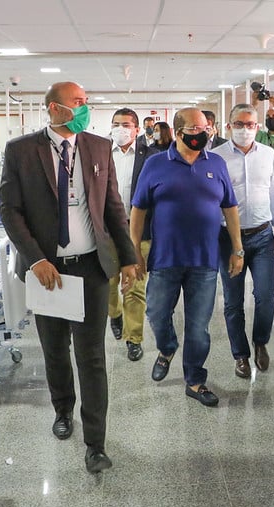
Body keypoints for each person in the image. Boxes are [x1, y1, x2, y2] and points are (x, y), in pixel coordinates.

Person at [0, 81, 137, 473]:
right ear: (55, 109)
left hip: (91, 268)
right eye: (78, 102)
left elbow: (113, 206)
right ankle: (63, 410)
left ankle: (96, 443)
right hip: (48, 273)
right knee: (55, 350)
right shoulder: (22, 151)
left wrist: (127, 258)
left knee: (91, 356)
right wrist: (37, 258)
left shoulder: (97, 147)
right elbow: (11, 211)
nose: (84, 107)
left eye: (85, 102)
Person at [130, 107, 244, 407]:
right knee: (155, 313)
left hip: (205, 261)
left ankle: (194, 380)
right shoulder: (155, 164)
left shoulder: (216, 163)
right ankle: (167, 348)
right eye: (196, 129)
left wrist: (237, 249)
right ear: (179, 133)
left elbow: (230, 208)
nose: (203, 134)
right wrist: (134, 254)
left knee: (198, 326)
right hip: (165, 259)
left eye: (206, 128)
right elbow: (138, 210)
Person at [212, 104, 274, 377]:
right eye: (239, 124)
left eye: (250, 124)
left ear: (258, 126)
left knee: (266, 296)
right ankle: (240, 355)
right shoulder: (215, 157)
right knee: (233, 301)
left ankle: (260, 343)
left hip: (263, 235)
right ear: (229, 125)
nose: (245, 129)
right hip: (228, 240)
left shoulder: (267, 154)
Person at [107, 108, 160, 361]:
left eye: (126, 124)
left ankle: (134, 338)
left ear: (137, 129)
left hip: (140, 232)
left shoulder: (151, 157)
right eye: (116, 124)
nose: (121, 129)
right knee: (108, 283)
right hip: (107, 232)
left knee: (135, 288)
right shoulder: (102, 154)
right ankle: (114, 314)